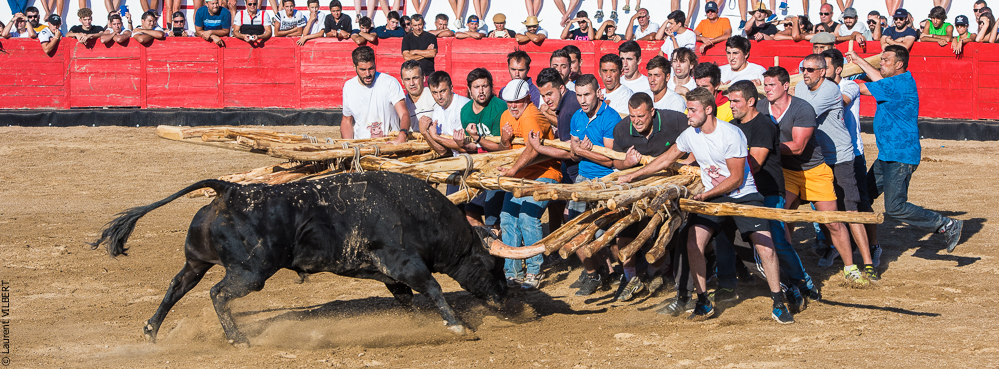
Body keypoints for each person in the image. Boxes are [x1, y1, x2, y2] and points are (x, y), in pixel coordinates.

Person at [619, 87, 794, 324]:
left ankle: (779, 301)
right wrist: (633, 176)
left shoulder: (731, 134)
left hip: (743, 194)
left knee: (765, 246)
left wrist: (706, 194)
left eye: (692, 110)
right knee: (693, 242)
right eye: (687, 109)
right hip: (713, 197)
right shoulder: (691, 133)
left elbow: (736, 178)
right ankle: (703, 301)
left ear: (709, 109)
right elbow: (667, 158)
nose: (687, 115)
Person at [847, 45, 965, 254]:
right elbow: (875, 80)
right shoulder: (894, 81)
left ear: (899, 64)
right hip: (887, 155)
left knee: (895, 207)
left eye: (885, 60)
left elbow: (861, 88)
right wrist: (858, 64)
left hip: (901, 156)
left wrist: (854, 65)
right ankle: (861, 244)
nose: (881, 63)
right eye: (881, 60)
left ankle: (946, 224)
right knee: (862, 197)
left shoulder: (898, 83)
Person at [756, 66, 867, 285]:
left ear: (785, 86)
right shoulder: (761, 107)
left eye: (771, 85)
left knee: (832, 221)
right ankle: (790, 264)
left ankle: (850, 267)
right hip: (786, 172)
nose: (767, 89)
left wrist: (766, 147)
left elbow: (798, 147)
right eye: (765, 85)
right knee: (782, 218)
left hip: (813, 170)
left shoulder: (802, 108)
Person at [727, 80, 819, 312]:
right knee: (762, 242)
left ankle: (800, 280)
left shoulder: (764, 125)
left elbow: (755, 164)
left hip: (768, 190)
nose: (731, 106)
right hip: (746, 192)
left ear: (750, 101)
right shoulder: (730, 126)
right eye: (729, 101)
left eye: (736, 101)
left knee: (777, 240)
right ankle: (792, 283)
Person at [796, 54, 876, 280]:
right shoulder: (802, 88)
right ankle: (836, 250)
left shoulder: (832, 90)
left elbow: (804, 114)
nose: (805, 73)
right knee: (826, 209)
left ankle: (868, 261)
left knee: (850, 209)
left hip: (840, 157)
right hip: (819, 157)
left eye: (811, 69)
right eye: (803, 68)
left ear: (823, 72)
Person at [609, 93, 690, 300]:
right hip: (638, 186)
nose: (636, 121)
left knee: (666, 226)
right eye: (633, 116)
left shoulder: (675, 120)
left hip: (669, 185)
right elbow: (616, 162)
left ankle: (657, 271)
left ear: (652, 112)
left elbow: (696, 136)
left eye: (641, 116)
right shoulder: (622, 129)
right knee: (625, 226)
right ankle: (629, 279)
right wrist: (626, 164)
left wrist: (688, 163)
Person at [496, 79, 563, 290]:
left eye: (517, 102)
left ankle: (534, 270)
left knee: (527, 216)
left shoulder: (531, 116)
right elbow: (504, 150)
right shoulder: (506, 116)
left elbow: (533, 150)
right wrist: (505, 141)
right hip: (521, 175)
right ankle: (512, 272)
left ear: (527, 99)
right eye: (509, 102)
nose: (513, 106)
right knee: (507, 217)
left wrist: (513, 171)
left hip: (545, 172)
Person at [822, 48, 883, 269]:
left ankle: (874, 246)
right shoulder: (819, 88)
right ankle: (834, 247)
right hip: (826, 153)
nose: (821, 71)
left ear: (838, 70)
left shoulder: (848, 86)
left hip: (852, 153)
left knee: (860, 203)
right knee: (828, 205)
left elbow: (840, 104)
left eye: (825, 67)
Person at [563, 74, 621, 296]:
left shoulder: (611, 118)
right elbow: (575, 155)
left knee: (606, 233)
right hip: (583, 179)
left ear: (598, 93)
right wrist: (579, 152)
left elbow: (612, 160)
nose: (582, 100)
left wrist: (586, 152)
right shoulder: (577, 117)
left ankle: (621, 273)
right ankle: (593, 274)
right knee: (574, 228)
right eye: (578, 95)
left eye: (587, 94)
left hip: (606, 181)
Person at [531, 67, 578, 233]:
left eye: (549, 94)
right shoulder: (570, 100)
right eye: (543, 95)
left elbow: (570, 152)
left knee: (572, 216)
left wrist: (539, 148)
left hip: (578, 173)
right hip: (577, 169)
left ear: (561, 88)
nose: (546, 100)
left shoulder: (566, 111)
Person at [340, 46, 410, 143]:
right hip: (361, 147)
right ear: (354, 66)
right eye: (363, 69)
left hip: (388, 145)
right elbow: (347, 120)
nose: (368, 74)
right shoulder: (348, 87)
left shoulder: (389, 82)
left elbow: (404, 113)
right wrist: (347, 144)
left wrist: (402, 135)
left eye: (371, 68)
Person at [421, 71, 472, 157]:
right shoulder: (437, 112)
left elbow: (466, 147)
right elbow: (443, 151)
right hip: (455, 162)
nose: (439, 96)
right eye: (434, 92)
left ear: (451, 88)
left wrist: (435, 136)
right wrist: (424, 132)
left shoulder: (464, 107)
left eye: (442, 91)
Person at [400, 60, 434, 134]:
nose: (412, 83)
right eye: (407, 79)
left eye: (415, 78)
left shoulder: (434, 96)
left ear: (424, 78)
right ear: (402, 81)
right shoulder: (402, 105)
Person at [598, 54, 635, 118]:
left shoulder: (626, 94)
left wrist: (602, 108)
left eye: (613, 71)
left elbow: (622, 122)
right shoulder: (599, 94)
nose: (608, 75)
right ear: (599, 73)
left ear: (621, 73)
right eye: (605, 71)